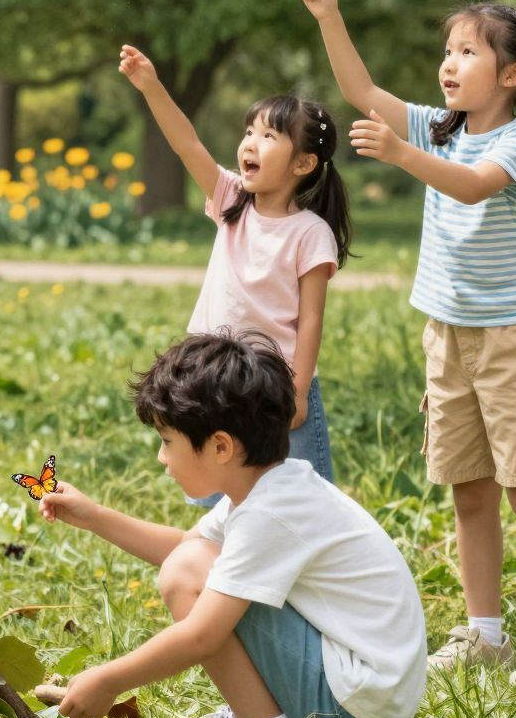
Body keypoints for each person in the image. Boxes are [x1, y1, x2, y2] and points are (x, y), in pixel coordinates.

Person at [301, 0, 516, 686]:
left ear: (514, 73)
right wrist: (330, 14)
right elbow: (364, 95)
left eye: (468, 52)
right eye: (449, 50)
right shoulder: (442, 126)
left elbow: (473, 185)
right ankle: (483, 631)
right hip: (448, 334)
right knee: (467, 488)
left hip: (511, 339)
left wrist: (401, 156)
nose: (450, 64)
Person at [42, 333, 425, 718]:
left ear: (221, 447)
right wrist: (95, 517)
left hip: (350, 715)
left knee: (187, 577)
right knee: (190, 563)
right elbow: (187, 547)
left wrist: (109, 679)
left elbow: (201, 630)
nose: (161, 458)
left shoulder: (271, 513)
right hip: (358, 699)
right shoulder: (272, 487)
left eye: (167, 441)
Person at [117, 45, 349, 484]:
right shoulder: (231, 201)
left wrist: (298, 393)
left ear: (303, 163)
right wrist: (151, 86)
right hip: (214, 376)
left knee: (298, 489)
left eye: (268, 136)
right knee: (215, 489)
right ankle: (221, 554)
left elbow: (312, 318)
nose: (250, 143)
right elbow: (186, 143)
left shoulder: (309, 233)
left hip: (274, 386)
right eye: (249, 131)